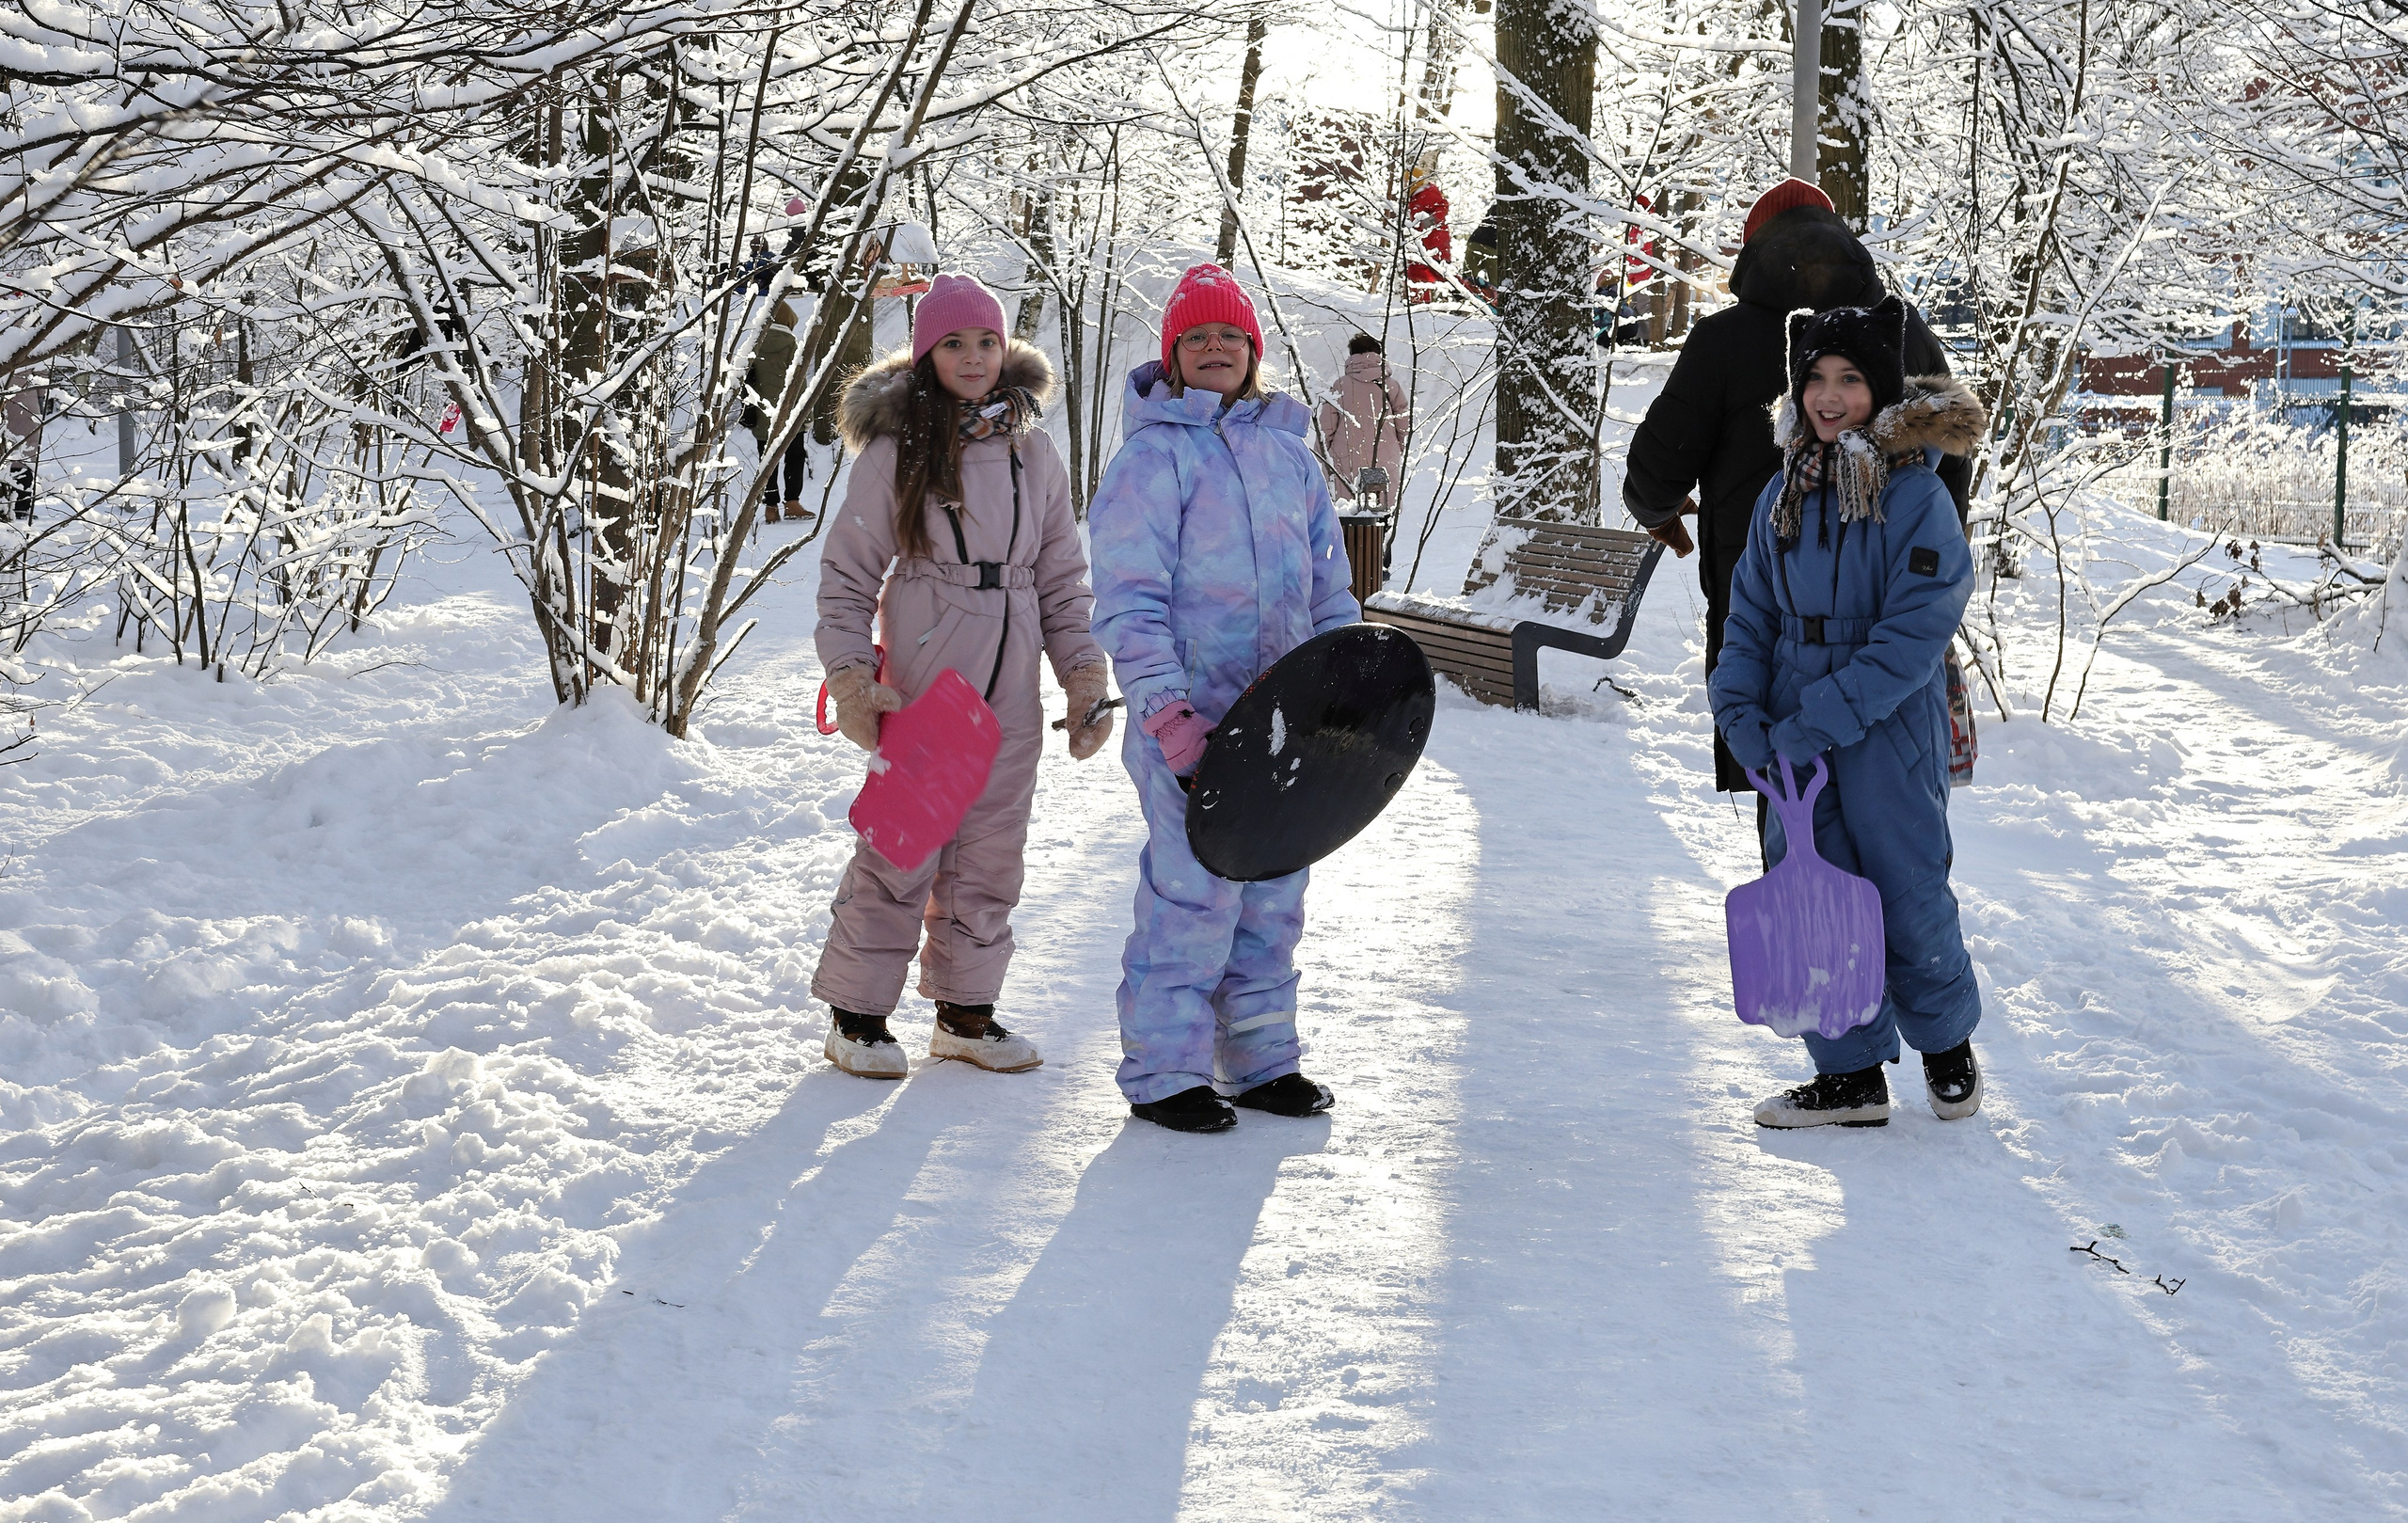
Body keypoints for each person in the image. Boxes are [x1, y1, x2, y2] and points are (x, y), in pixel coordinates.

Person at [812, 273, 1116, 1079]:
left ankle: (965, 1011)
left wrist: (1082, 672)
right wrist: (850, 675)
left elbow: (1061, 574)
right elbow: (846, 575)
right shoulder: (895, 450)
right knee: (904, 839)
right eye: (953, 343)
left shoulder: (1033, 449)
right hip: (927, 670)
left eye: (986, 340)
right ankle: (858, 1015)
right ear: (926, 354)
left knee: (991, 849)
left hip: (1013, 676)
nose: (974, 357)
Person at [1088, 263, 1360, 1134]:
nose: (1215, 347)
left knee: (1274, 890)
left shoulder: (1290, 457)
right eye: (1197, 336)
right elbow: (1129, 599)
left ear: (1253, 353)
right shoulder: (1153, 458)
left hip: (1284, 725)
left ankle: (1259, 1058)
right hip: (1190, 722)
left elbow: (1330, 590)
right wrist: (1167, 714)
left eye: (1230, 336)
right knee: (1194, 893)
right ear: (1173, 356)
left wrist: (1342, 688)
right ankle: (1166, 1069)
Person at [1708, 297, 1987, 1129]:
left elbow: (1913, 635)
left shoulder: (1914, 498)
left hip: (1888, 721)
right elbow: (1748, 613)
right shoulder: (1782, 494)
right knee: (1811, 884)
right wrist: (1740, 711)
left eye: (1851, 380)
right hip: (1793, 717)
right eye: (1816, 379)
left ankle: (1945, 1045)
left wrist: (1817, 717)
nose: (1830, 397)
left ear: (1884, 391)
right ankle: (1849, 1073)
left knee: (1905, 883)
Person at [1623, 178, 1971, 795]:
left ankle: (1795, 885)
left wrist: (1659, 512)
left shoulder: (1722, 341)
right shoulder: (1900, 331)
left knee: (1783, 786)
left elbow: (1656, 468)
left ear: (1754, 252)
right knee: (1893, 793)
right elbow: (1953, 459)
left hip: (1764, 605)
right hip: (1884, 608)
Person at [1318, 334, 1408, 508]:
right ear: (1379, 355)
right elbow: (1404, 423)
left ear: (1352, 356)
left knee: (1350, 513)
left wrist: (1325, 456)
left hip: (1345, 459)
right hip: (1386, 456)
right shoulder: (1391, 385)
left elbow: (1326, 427)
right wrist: (1398, 448)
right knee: (1382, 513)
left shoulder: (1340, 385)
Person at [741, 300, 811, 523]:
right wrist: (805, 417)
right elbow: (800, 383)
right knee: (794, 457)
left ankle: (770, 508)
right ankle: (792, 503)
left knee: (767, 460)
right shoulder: (792, 344)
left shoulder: (753, 344)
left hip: (763, 414)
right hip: (789, 413)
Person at [1404, 153, 1451, 303]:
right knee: (1434, 273)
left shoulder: (1427, 193)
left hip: (1433, 242)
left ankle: (1420, 302)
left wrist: (1428, 222)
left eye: (1407, 182)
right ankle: (1420, 301)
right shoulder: (1418, 196)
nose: (1405, 185)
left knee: (1419, 270)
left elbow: (1442, 207)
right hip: (1429, 242)